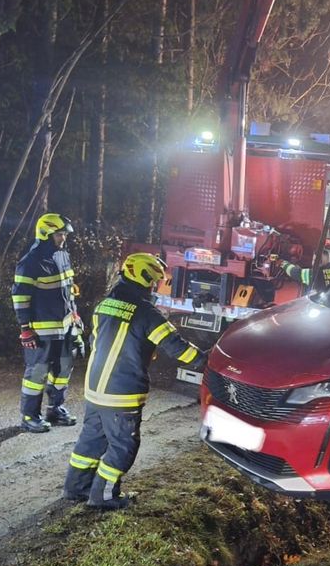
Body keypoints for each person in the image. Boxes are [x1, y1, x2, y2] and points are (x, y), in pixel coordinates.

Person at [62, 252, 204, 510]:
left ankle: (76, 488)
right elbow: (179, 349)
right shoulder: (146, 313)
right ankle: (103, 497)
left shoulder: (104, 304)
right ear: (145, 278)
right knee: (123, 446)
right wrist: (207, 361)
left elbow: (97, 340)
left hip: (95, 388)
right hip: (121, 394)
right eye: (154, 281)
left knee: (91, 440)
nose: (155, 287)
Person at [11, 213, 83, 432]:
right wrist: (25, 329)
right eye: (59, 234)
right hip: (42, 330)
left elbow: (69, 291)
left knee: (63, 370)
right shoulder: (30, 262)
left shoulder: (63, 256)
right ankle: (30, 416)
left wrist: (75, 316)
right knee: (37, 374)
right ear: (45, 233)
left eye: (64, 234)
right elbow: (20, 297)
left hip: (66, 327)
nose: (63, 238)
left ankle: (55, 409)